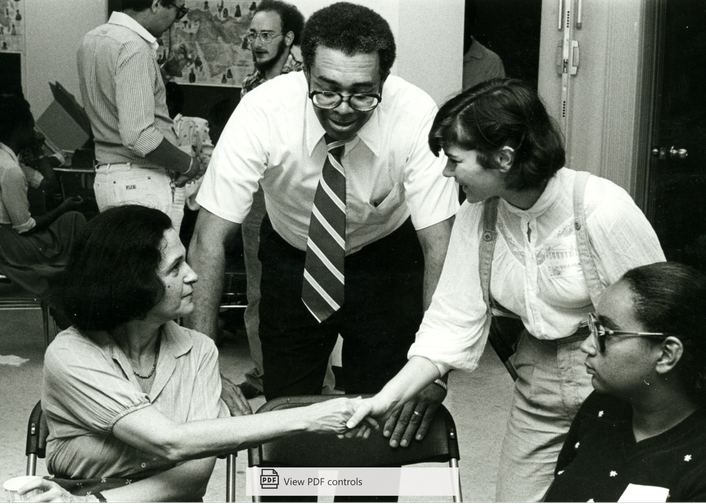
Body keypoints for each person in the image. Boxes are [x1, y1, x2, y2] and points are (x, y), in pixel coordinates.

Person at [346, 78, 666, 502]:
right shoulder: (477, 217)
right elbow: (449, 323)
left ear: (503, 157)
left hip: (619, 382)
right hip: (537, 379)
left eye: (455, 160)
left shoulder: (600, 208)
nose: (446, 172)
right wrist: (385, 397)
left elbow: (663, 316)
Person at [188, 2, 458, 432]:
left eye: (363, 93)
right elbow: (208, 239)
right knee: (287, 421)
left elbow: (439, 245)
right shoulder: (262, 111)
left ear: (384, 82)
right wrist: (200, 365)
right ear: (304, 72)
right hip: (294, 258)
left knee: (382, 419)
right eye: (326, 90)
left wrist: (435, 368)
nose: (343, 108)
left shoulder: (415, 114)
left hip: (386, 259)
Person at [16, 205, 371, 503]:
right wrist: (310, 417)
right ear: (133, 284)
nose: (193, 276)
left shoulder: (198, 349)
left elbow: (194, 474)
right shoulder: (71, 353)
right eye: (175, 268)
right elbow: (170, 443)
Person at [545, 262, 706, 502]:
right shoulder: (601, 406)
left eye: (604, 333)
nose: (586, 345)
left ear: (666, 355)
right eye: (592, 326)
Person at [77, 0, 205, 233]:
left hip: (110, 177)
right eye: (179, 11)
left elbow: (118, 98)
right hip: (141, 181)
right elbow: (138, 136)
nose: (175, 21)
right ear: (157, 4)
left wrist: (164, 71)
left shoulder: (93, 39)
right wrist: (189, 165)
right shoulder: (133, 47)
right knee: (157, 266)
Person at [238, 0, 307, 400]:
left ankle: (309, 383)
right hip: (256, 198)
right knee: (257, 292)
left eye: (267, 35)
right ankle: (265, 371)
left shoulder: (302, 84)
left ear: (289, 38)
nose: (257, 43)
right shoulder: (250, 85)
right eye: (253, 34)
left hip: (292, 200)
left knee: (295, 294)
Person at [0, 93, 85, 304]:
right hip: (12, 248)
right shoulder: (11, 170)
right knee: (74, 219)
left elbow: (49, 184)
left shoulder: (8, 160)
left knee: (72, 220)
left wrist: (37, 151)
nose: (35, 132)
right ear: (19, 129)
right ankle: (80, 293)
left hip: (8, 242)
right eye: (31, 128)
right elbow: (25, 227)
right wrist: (63, 208)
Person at [462, 0, 505, 91]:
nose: (461, 26)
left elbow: (498, 102)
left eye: (465, 21)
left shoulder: (491, 61)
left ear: (472, 22)